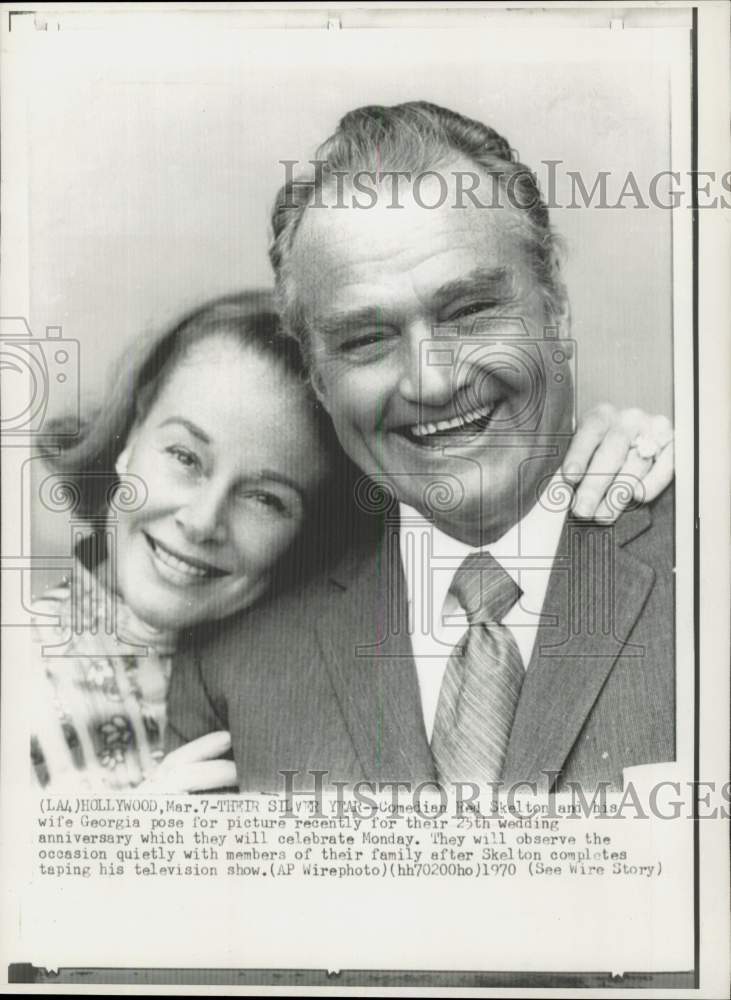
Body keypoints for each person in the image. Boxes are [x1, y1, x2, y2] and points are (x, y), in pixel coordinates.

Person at [166, 102, 676, 793]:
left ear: (555, 307)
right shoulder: (232, 660)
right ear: (317, 375)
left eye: (468, 312)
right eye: (366, 339)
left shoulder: (704, 557)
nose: (431, 381)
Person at [31, 291, 340, 792]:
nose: (201, 522)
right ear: (130, 440)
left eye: (265, 498)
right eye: (185, 457)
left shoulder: (311, 686)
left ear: (304, 537)